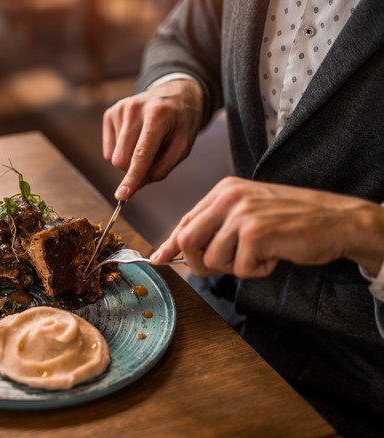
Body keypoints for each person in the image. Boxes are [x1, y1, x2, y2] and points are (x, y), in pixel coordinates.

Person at [101, 0, 383, 435]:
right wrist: (181, 85)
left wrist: (363, 228)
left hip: (359, 372)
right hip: (221, 303)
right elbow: (191, 34)